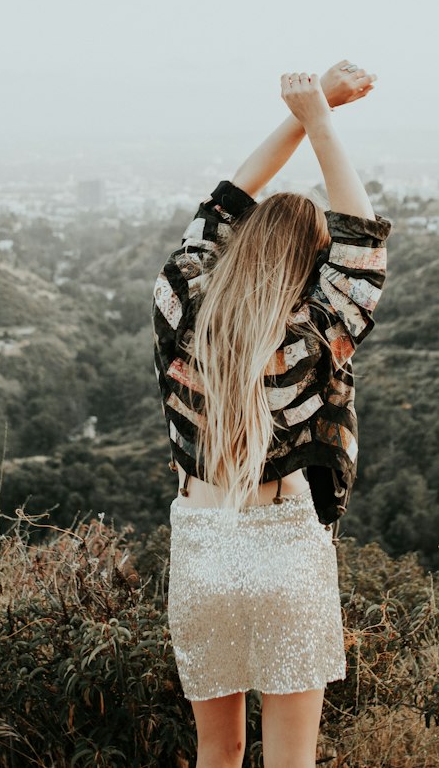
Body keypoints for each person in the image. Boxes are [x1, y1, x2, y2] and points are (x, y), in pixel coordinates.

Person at [151, 63, 392, 768]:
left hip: (200, 544)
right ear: (312, 267)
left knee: (215, 756)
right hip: (284, 547)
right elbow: (364, 246)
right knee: (292, 762)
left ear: (242, 242)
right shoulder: (314, 332)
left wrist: (304, 110)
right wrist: (321, 117)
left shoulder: (180, 298)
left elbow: (223, 200)